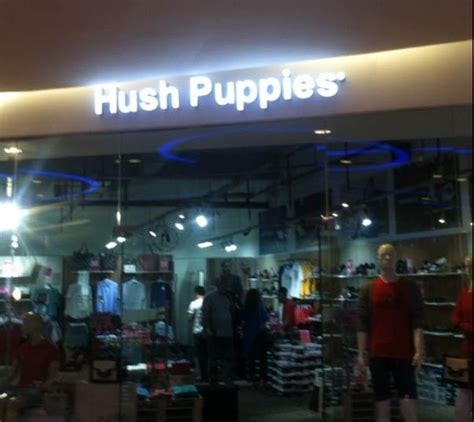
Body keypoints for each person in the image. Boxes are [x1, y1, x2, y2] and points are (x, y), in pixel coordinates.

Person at [357, 244, 424, 422]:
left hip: (404, 353)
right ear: (378, 258)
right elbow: (362, 324)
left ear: (396, 257)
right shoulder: (368, 289)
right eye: (383, 255)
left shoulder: (410, 287)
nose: (387, 258)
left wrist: (419, 350)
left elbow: (417, 321)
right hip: (378, 352)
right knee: (382, 402)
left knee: (408, 402)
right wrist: (361, 353)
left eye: (391, 255)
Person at [451, 256, 473, 422]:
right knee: (464, 393)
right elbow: (454, 319)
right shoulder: (464, 293)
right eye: (467, 267)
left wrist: (464, 325)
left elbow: (458, 320)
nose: (469, 270)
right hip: (467, 349)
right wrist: (466, 326)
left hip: (468, 345)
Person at [202, 277, 235, 384]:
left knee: (227, 356)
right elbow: (206, 315)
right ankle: (213, 378)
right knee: (213, 357)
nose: (226, 287)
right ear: (218, 285)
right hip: (214, 332)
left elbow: (231, 312)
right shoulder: (210, 297)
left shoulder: (229, 297)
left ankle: (226, 377)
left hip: (227, 332)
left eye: (227, 285)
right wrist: (208, 329)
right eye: (223, 284)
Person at [241, 289, 268, 386]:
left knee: (251, 358)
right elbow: (265, 318)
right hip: (260, 333)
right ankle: (263, 378)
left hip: (249, 334)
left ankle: (252, 377)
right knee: (262, 358)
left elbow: (242, 319)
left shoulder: (246, 306)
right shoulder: (260, 305)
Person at [188, 286, 207, 381]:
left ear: (196, 293)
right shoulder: (208, 302)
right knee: (206, 354)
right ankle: (206, 374)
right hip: (207, 332)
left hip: (197, 331)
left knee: (197, 354)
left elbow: (189, 318)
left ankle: (199, 375)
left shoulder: (193, 303)